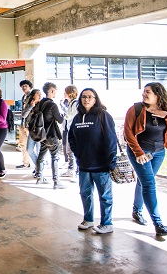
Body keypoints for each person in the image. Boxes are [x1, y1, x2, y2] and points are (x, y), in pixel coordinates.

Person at [123, 82, 167, 236]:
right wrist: (138, 152)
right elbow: (128, 133)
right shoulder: (135, 109)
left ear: (157, 94)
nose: (144, 94)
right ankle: (158, 224)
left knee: (144, 182)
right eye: (143, 91)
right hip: (140, 152)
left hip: (159, 152)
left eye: (148, 92)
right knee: (149, 183)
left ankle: (136, 210)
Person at [69, 88, 118, 234]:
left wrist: (111, 161)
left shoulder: (103, 116)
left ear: (95, 99)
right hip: (84, 164)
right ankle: (88, 219)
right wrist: (78, 153)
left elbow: (111, 139)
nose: (86, 99)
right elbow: (71, 137)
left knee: (105, 196)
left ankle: (107, 223)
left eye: (90, 97)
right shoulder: (78, 118)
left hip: (101, 165)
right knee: (85, 193)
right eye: (84, 97)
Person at [34, 82, 66, 189]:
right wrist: (63, 114)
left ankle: (39, 177)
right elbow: (60, 120)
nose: (55, 93)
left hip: (41, 135)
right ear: (51, 91)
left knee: (41, 156)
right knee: (55, 157)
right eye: (55, 91)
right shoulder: (52, 105)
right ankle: (56, 181)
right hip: (51, 134)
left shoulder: (40, 103)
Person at [60, 85, 79, 181]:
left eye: (65, 92)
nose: (64, 94)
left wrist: (65, 115)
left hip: (73, 130)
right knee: (68, 149)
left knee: (70, 150)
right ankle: (72, 169)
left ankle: (73, 170)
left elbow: (72, 115)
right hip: (70, 129)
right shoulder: (71, 103)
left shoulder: (75, 103)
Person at [23, 89, 43, 176]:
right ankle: (38, 167)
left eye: (40, 94)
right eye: (38, 94)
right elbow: (24, 115)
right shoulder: (30, 104)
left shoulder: (43, 104)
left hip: (41, 131)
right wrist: (31, 106)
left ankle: (39, 171)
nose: (40, 95)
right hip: (31, 130)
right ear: (33, 95)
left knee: (39, 151)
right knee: (29, 150)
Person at [15, 79, 33, 169]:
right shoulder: (23, 97)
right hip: (23, 123)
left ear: (30, 87)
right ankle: (26, 162)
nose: (24, 87)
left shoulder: (32, 96)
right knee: (22, 144)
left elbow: (27, 112)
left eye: (26, 86)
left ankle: (38, 164)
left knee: (31, 146)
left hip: (30, 124)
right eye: (22, 86)